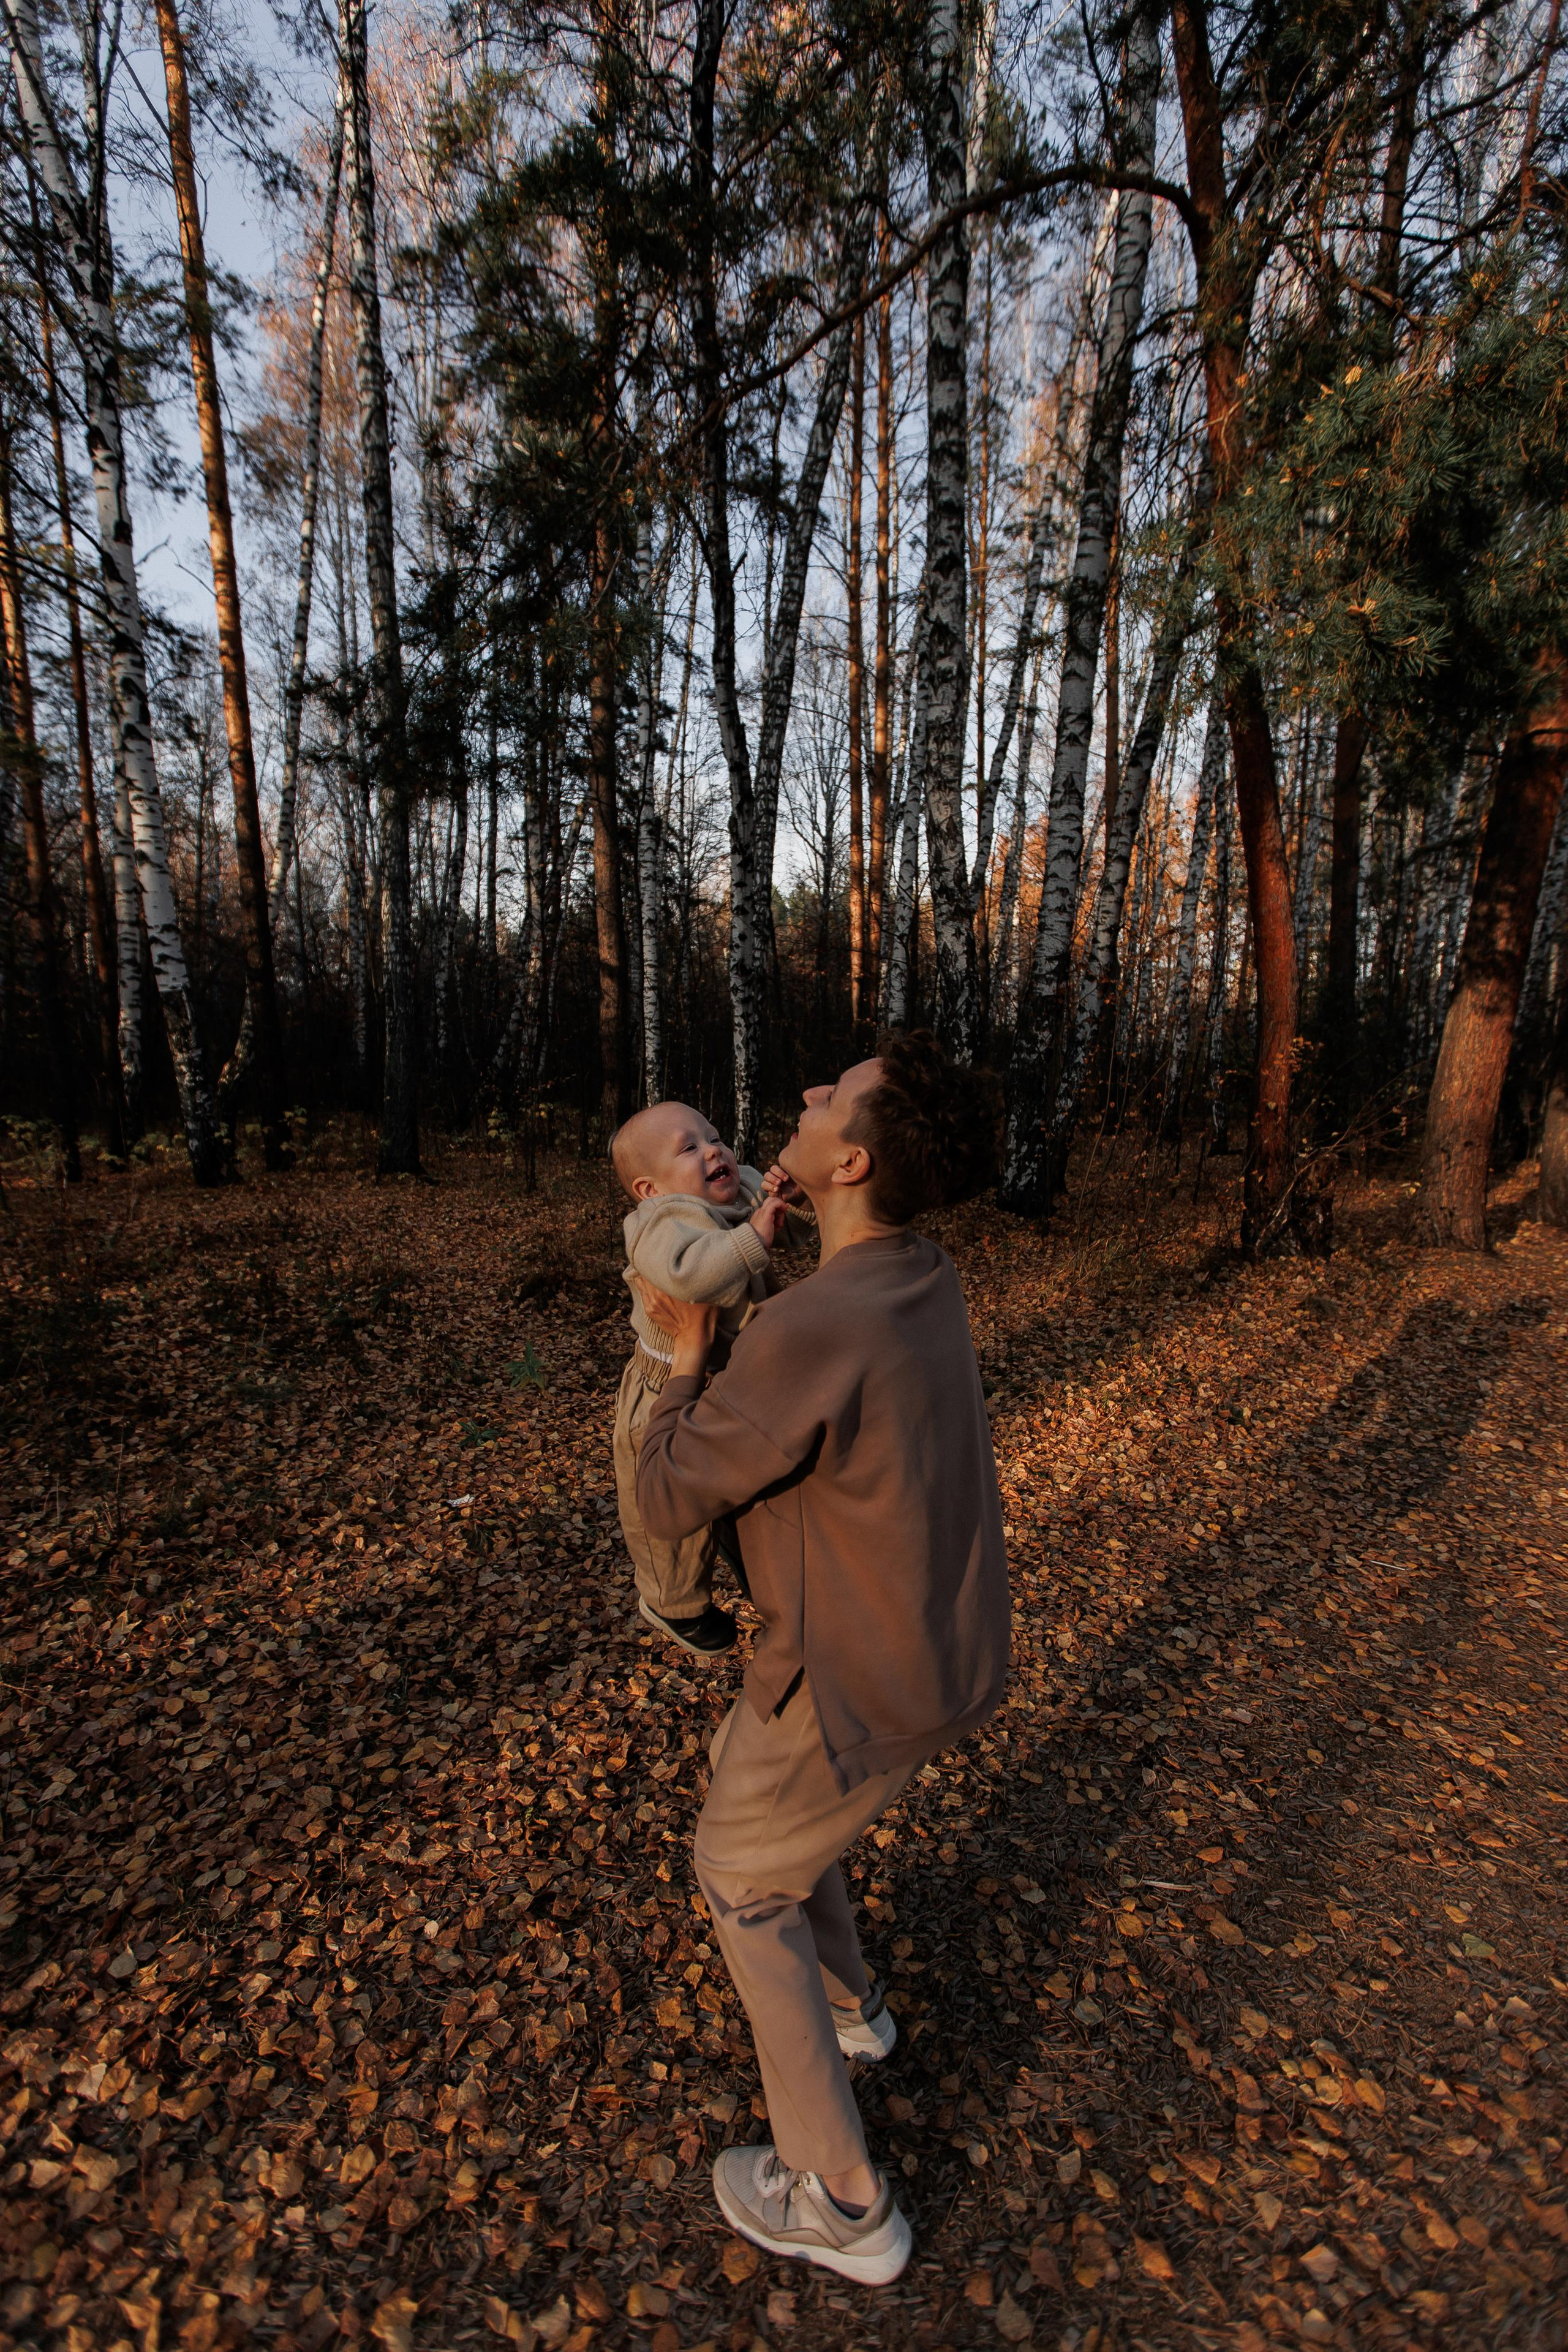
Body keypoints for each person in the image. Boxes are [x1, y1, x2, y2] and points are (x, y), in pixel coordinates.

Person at [634, 1035, 1010, 2286]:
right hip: (939, 1651)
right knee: (795, 1841)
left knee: (738, 1875)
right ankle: (849, 2012)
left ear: (846, 1157)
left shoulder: (813, 1322)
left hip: (848, 1677)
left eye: (828, 1097)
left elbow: (674, 1490)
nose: (803, 1096)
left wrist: (683, 1348)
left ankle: (840, 2199)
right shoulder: (917, 1273)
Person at [609, 1101, 810, 1656]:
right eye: (689, 1147)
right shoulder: (656, 1225)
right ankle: (673, 1602)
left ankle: (761, 1571)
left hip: (730, 1378)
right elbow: (690, 1276)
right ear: (650, 1189)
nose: (714, 1150)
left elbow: (793, 1235)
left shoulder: (734, 1186)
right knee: (666, 1518)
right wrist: (753, 1237)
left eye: (714, 1136)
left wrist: (789, 1200)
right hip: (661, 1385)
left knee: (738, 1490)